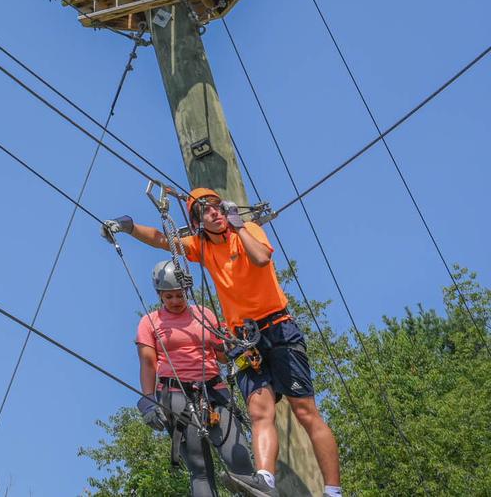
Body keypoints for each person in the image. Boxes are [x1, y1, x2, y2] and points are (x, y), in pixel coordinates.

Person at [105, 189, 343, 496]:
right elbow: (161, 239)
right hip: (245, 339)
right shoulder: (201, 247)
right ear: (197, 222)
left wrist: (240, 226)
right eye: (206, 211)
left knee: (305, 411)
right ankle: (265, 479)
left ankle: (333, 491)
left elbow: (261, 258)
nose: (215, 213)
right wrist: (128, 226)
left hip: (278, 327)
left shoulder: (249, 231)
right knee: (260, 411)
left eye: (218, 208)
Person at [134, 258, 261, 496]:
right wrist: (148, 401)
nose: (174, 301)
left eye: (179, 295)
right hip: (175, 394)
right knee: (200, 467)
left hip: (214, 389)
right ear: (159, 295)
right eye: (168, 296)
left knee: (239, 455)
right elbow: (148, 363)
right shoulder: (149, 322)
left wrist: (237, 345)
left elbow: (223, 356)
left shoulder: (204, 314)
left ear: (187, 291)